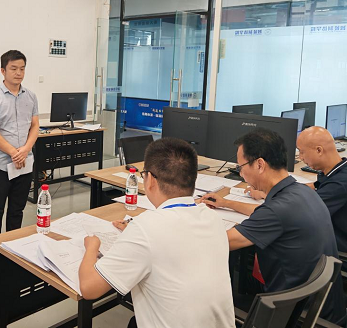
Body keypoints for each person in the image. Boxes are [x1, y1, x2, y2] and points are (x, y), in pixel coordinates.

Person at [79, 138, 235, 328]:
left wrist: (92, 247)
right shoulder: (213, 218)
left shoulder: (145, 228)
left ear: (150, 180)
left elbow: (89, 288)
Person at [200, 128, 346, 325]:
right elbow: (269, 215)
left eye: (241, 167)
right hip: (320, 311)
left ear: (260, 164)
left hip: (289, 317)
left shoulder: (277, 210)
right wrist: (227, 203)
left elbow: (220, 242)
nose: (241, 173)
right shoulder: (301, 192)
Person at [0, 50, 39, 272]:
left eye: (22, 68)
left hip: (25, 163)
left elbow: (35, 125)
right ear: (3, 70)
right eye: (13, 68)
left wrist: (25, 150)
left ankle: (13, 248)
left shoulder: (31, 96)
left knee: (17, 209)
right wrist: (14, 152)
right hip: (0, 164)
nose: (18, 73)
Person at [297, 126, 347, 256]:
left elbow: (300, 212)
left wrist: (270, 195)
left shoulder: (338, 184)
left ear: (319, 150)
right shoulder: (338, 169)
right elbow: (314, 186)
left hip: (339, 249)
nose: (300, 157)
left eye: (302, 152)